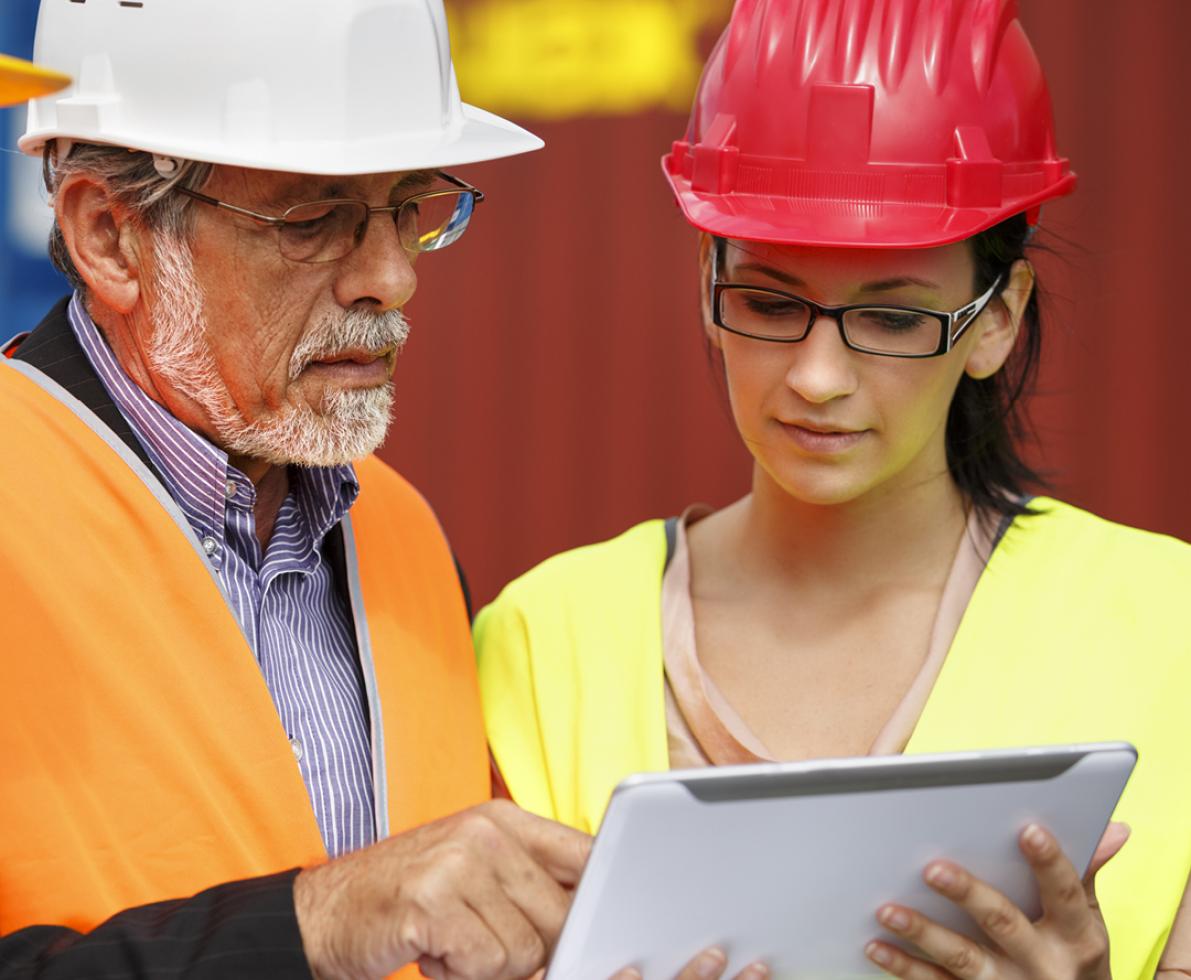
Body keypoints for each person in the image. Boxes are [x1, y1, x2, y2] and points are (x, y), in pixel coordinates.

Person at [473, 1, 1191, 978]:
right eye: (769, 301)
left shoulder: (1167, 627)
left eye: (892, 318)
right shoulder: (544, 638)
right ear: (706, 280)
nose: (817, 376)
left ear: (997, 319)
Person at [0, 3, 593, 978]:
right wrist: (315, 922)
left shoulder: (399, 533)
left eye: (409, 208)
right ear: (111, 237)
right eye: (314, 221)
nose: (390, 278)